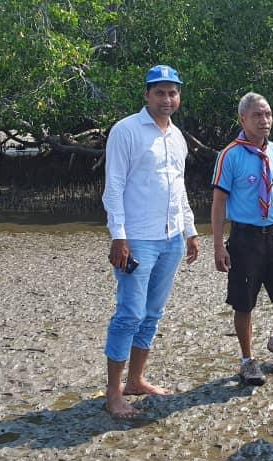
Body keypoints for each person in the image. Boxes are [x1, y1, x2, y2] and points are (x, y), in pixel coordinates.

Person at [101, 65, 200, 418]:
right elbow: (113, 186)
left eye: (173, 92)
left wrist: (190, 230)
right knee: (129, 314)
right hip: (137, 238)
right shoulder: (126, 131)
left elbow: (180, 187)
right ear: (146, 94)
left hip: (171, 237)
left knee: (152, 314)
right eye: (160, 92)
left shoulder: (178, 137)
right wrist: (119, 236)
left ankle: (136, 380)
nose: (167, 99)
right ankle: (113, 393)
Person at [211, 92, 273, 386]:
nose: (264, 121)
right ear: (242, 119)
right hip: (245, 237)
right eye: (257, 115)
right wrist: (217, 246)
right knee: (244, 302)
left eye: (268, 114)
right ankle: (247, 361)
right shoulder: (230, 155)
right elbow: (218, 201)